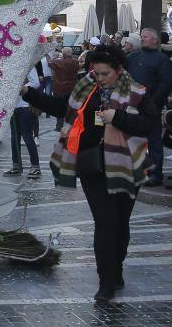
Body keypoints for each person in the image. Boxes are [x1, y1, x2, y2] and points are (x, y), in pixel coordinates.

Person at [22, 46, 152, 301]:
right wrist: (29, 93)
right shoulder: (85, 88)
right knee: (104, 223)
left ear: (119, 70)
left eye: (105, 73)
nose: (100, 78)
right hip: (92, 165)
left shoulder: (137, 92)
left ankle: (117, 267)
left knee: (120, 223)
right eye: (96, 72)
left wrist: (118, 117)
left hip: (127, 166)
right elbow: (61, 107)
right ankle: (105, 280)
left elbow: (148, 125)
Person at [125, 28, 172, 187]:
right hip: (132, 105)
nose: (142, 39)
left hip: (150, 106)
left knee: (153, 142)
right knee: (131, 140)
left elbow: (165, 82)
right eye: (141, 37)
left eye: (145, 37)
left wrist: (153, 101)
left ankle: (155, 174)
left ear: (155, 40)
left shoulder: (162, 59)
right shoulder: (132, 57)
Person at [4, 67, 41, 179]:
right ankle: (16, 166)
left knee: (27, 136)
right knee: (14, 138)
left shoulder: (28, 64)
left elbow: (35, 82)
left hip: (25, 105)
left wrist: (20, 87)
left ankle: (35, 166)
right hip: (13, 106)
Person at [49, 47, 80, 131]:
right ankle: (71, 124)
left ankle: (59, 126)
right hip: (71, 88)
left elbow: (50, 63)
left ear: (63, 54)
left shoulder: (58, 61)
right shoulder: (76, 62)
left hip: (60, 88)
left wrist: (55, 57)